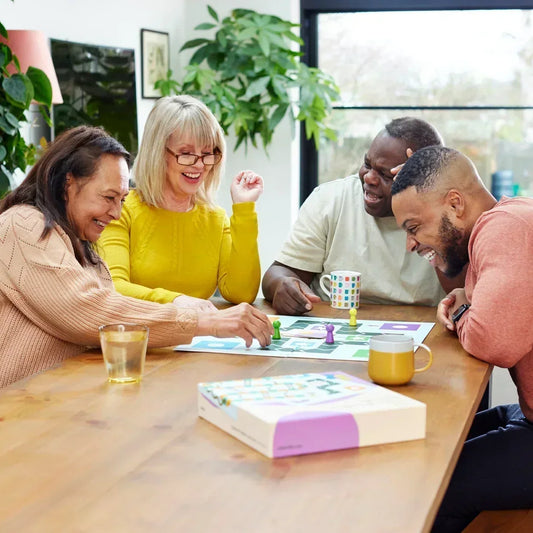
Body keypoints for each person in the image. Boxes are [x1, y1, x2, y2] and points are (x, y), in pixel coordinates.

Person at [0, 126, 273, 388]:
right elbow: (89, 309)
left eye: (121, 199)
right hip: (22, 414)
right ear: (68, 183)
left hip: (64, 400)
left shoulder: (79, 241)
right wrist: (206, 322)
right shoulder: (23, 224)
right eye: (108, 197)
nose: (117, 213)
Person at [390, 146, 533, 532]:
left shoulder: (503, 228)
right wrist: (470, 298)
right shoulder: (511, 215)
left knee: (433, 486)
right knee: (438, 442)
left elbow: (493, 340)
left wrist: (463, 310)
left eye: (413, 227)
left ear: (454, 204)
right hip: (527, 413)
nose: (410, 243)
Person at [262, 117, 463, 315]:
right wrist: (283, 285)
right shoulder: (330, 199)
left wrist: (431, 211)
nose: (369, 178)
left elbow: (467, 292)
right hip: (338, 325)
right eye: (367, 164)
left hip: (424, 330)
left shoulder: (450, 215)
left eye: (386, 175)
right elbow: (278, 273)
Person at [98, 95, 263, 312]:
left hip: (196, 340)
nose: (199, 165)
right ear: (158, 153)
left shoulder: (215, 218)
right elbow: (114, 287)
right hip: (140, 339)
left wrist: (243, 209)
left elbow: (242, 293)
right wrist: (176, 301)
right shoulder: (121, 210)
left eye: (207, 153)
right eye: (186, 153)